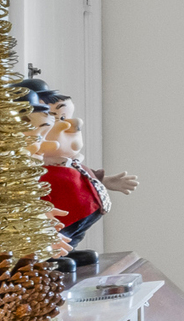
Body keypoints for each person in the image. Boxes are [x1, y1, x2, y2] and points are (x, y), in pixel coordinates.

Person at [22, 72, 139, 257]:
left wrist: (105, 181)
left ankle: (68, 254)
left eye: (68, 116)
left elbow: (81, 174)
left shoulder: (67, 163)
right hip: (61, 220)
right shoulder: (35, 170)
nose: (75, 123)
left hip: (84, 216)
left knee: (72, 238)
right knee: (58, 238)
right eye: (59, 118)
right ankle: (49, 258)